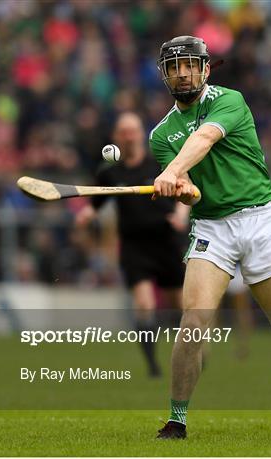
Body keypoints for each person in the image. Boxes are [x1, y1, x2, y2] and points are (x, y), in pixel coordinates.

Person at [149, 36, 271, 439]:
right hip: (212, 228)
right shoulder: (161, 135)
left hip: (260, 222)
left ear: (205, 69)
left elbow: (203, 140)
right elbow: (190, 188)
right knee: (193, 324)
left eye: (191, 65)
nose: (183, 73)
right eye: (175, 66)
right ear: (165, 74)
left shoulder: (230, 101)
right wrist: (179, 186)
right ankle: (176, 420)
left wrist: (172, 173)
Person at [76, 112, 188, 377]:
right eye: (123, 132)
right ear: (116, 137)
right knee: (145, 306)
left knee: (180, 306)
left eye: (133, 131)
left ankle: (194, 352)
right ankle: (152, 366)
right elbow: (96, 203)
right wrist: (85, 215)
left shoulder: (160, 163)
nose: (128, 137)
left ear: (141, 134)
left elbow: (185, 192)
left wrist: (181, 216)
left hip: (166, 241)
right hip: (134, 247)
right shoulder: (110, 172)